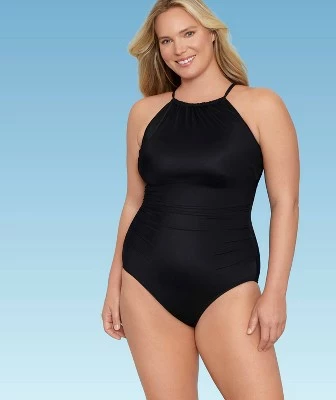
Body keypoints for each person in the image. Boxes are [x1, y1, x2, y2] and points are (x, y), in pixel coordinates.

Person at [101, 0, 299, 398]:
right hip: (146, 284)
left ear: (212, 34)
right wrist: (113, 286)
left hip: (228, 283)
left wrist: (275, 292)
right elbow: (134, 202)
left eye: (188, 33)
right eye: (166, 41)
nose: (179, 48)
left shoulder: (262, 105)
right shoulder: (144, 113)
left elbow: (285, 204)